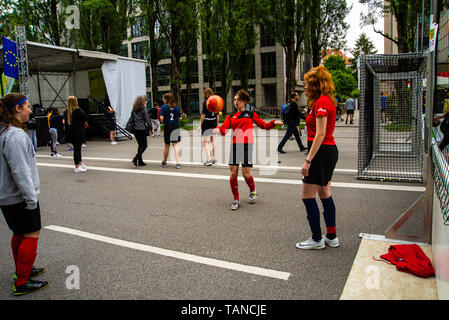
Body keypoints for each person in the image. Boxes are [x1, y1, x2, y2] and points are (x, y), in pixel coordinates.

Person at [0, 92, 49, 296]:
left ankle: (23, 270)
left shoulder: (5, 132)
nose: (31, 110)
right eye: (27, 106)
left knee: (19, 233)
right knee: (31, 234)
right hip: (18, 196)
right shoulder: (15, 135)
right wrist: (31, 197)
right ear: (18, 109)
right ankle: (22, 281)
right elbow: (20, 171)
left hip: (8, 196)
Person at [214, 89, 283, 210]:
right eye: (234, 100)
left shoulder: (250, 114)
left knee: (245, 174)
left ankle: (252, 190)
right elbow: (224, 131)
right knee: (233, 173)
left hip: (246, 146)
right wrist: (217, 129)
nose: (236, 102)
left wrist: (273, 122)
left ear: (244, 101)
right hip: (235, 146)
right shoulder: (231, 116)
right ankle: (236, 199)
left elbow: (264, 125)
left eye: (238, 100)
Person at [296, 65, 339, 250]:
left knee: (307, 196)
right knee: (325, 194)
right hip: (328, 151)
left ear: (315, 84)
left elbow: (320, 134)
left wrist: (308, 161)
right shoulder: (326, 100)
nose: (305, 86)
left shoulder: (321, 102)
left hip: (321, 152)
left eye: (307, 83)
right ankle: (331, 236)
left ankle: (316, 238)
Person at [160, 93, 182, 169]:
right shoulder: (176, 107)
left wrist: (164, 120)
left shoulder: (164, 107)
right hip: (175, 127)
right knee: (175, 145)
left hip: (168, 127)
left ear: (166, 99)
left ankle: (165, 162)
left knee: (167, 145)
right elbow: (180, 118)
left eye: (163, 98)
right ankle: (178, 163)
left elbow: (161, 118)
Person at [68, 96, 89, 172]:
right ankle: (77, 165)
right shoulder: (77, 110)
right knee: (77, 149)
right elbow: (86, 117)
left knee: (77, 149)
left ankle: (79, 163)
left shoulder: (67, 111)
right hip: (78, 132)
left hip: (72, 132)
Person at [129, 95, 151, 167]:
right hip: (142, 129)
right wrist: (150, 128)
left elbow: (132, 119)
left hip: (135, 130)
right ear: (142, 102)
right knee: (144, 145)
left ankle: (140, 161)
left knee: (140, 145)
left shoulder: (134, 110)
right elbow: (147, 120)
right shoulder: (144, 109)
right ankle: (136, 158)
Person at [200, 88, 219, 166]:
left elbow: (203, 115)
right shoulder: (216, 101)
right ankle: (214, 158)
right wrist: (216, 124)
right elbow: (217, 114)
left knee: (205, 141)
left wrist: (200, 124)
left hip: (207, 121)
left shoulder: (205, 102)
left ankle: (209, 159)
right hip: (214, 121)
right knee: (213, 140)